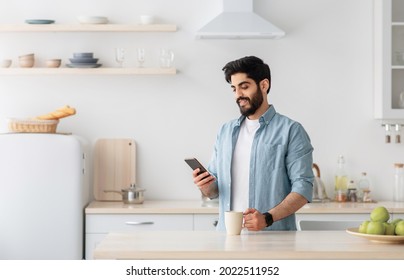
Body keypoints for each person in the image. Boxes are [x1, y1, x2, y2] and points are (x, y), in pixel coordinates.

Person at [192, 56, 314, 231]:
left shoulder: (291, 130)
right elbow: (215, 191)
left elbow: (303, 188)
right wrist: (205, 186)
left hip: (274, 239)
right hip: (228, 236)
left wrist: (267, 218)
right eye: (234, 89)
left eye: (244, 87)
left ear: (264, 85)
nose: (238, 95)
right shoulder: (225, 132)